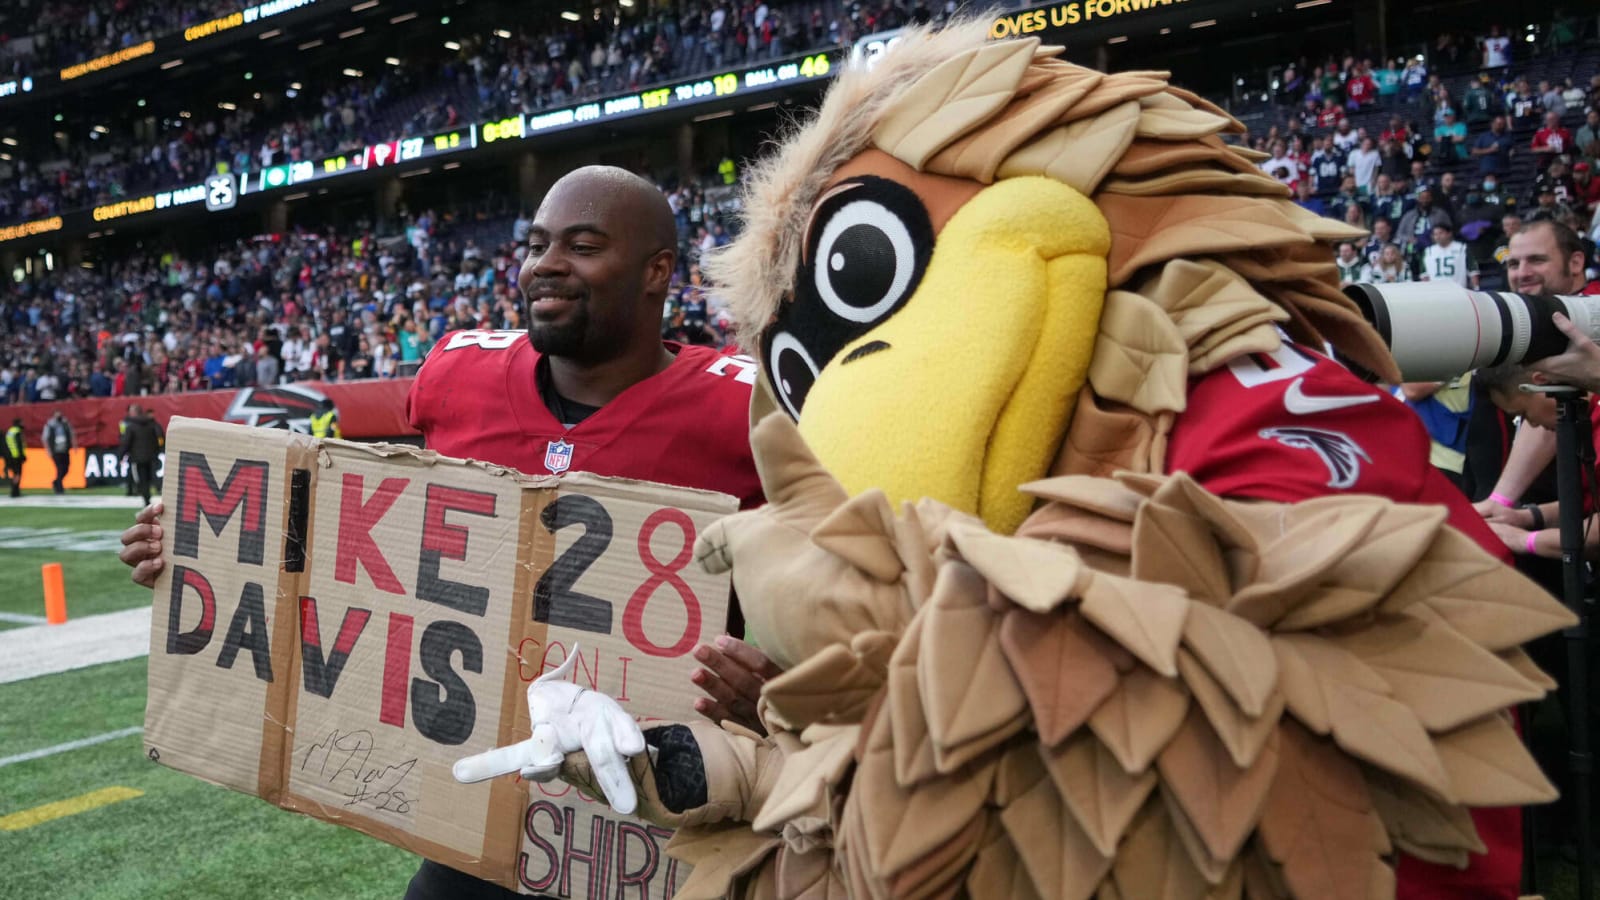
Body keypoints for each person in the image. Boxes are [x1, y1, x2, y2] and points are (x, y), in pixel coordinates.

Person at [116, 166, 770, 900]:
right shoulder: (461, 375)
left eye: (582, 246)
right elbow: (374, 532)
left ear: (657, 272)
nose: (545, 264)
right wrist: (212, 543)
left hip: (657, 824)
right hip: (483, 803)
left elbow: (834, 603)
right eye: (537, 243)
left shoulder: (750, 414)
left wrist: (774, 693)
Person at [118, 406, 164, 505]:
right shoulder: (152, 424)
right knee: (150, 477)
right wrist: (157, 451)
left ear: (133, 413)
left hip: (137, 458)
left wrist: (121, 456)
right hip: (151, 456)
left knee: (141, 479)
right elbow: (158, 439)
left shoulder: (131, 426)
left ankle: (146, 498)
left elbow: (126, 443)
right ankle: (153, 492)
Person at [42, 411, 74, 495]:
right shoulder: (50, 425)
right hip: (55, 450)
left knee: (66, 469)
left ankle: (56, 482)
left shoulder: (65, 423)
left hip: (65, 449)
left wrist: (74, 445)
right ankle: (59, 488)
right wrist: (48, 450)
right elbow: (45, 438)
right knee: (59, 469)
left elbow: (71, 434)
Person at [4, 418, 24, 498]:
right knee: (18, 474)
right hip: (16, 456)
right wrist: (22, 455)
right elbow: (19, 445)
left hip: (9, 456)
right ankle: (15, 491)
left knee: (15, 474)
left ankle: (14, 490)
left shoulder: (10, 431)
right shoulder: (17, 432)